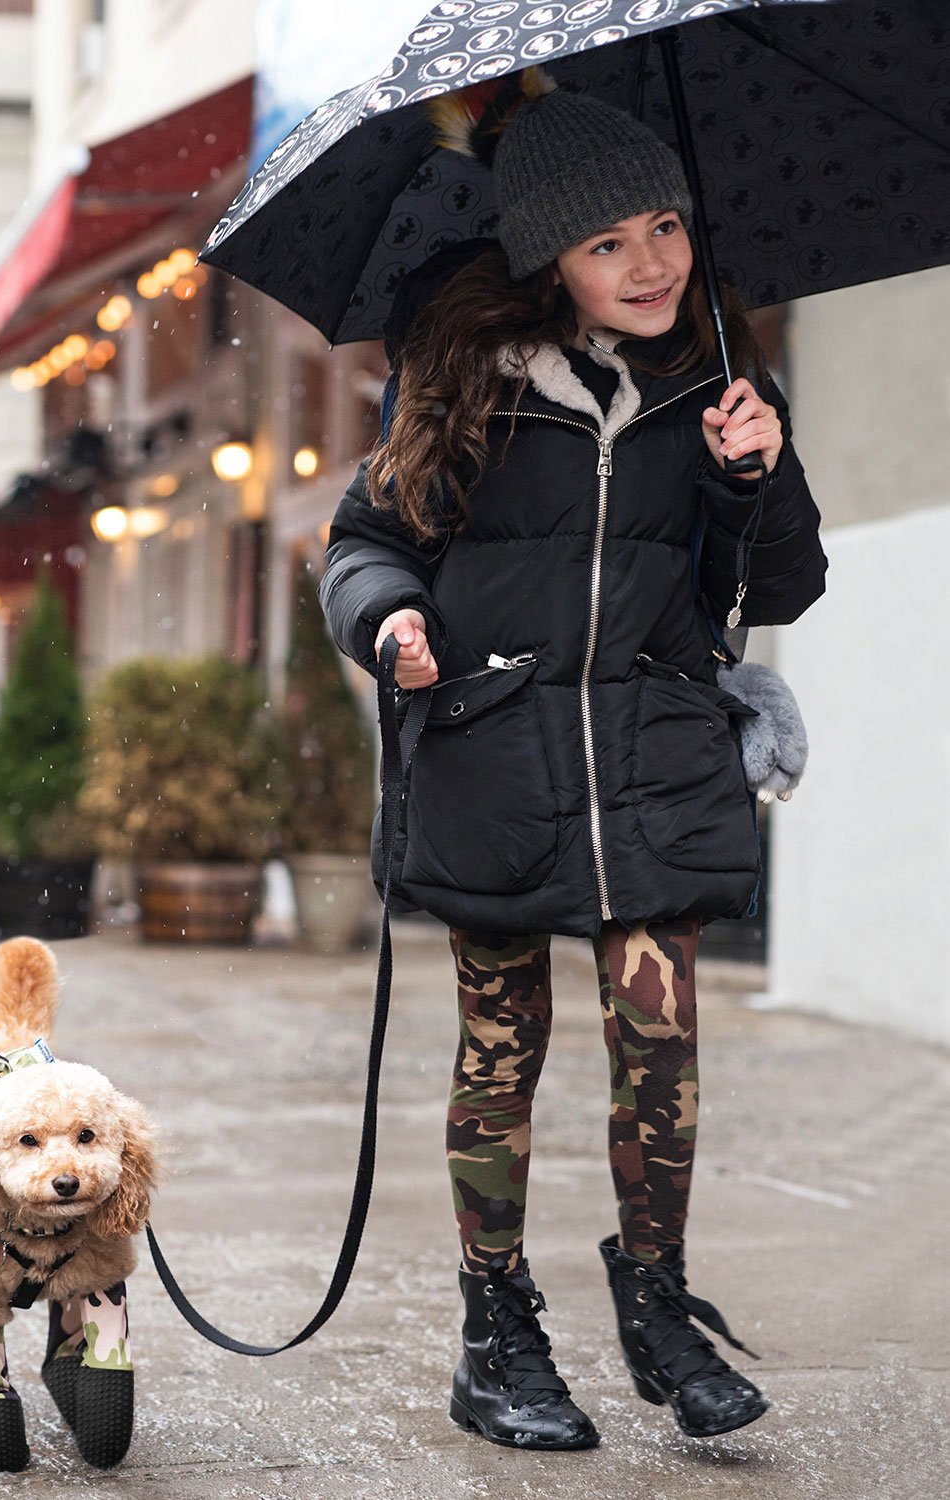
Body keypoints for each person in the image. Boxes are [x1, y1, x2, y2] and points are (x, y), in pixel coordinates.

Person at [318, 80, 827, 1451]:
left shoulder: (720, 380)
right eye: (611, 242)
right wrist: (390, 620)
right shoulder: (461, 381)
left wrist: (754, 478)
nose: (653, 261)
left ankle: (657, 1306)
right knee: (504, 1053)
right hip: (496, 754)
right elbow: (364, 544)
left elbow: (778, 582)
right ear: (549, 256)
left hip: (651, 760)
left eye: (664, 225)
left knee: (659, 1044)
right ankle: (496, 1334)